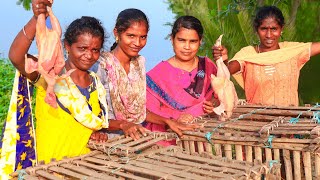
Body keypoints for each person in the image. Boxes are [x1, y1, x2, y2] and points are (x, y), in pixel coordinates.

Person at [94, 9, 198, 141]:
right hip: (105, 141)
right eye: (131, 36)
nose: (137, 43)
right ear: (117, 33)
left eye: (142, 37)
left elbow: (139, 112)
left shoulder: (138, 64)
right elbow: (89, 115)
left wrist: (167, 121)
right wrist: (123, 124)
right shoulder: (101, 66)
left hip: (133, 140)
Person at [213, 5, 320, 107]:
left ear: (281, 29)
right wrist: (223, 59)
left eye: (274, 29)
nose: (269, 35)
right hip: (257, 120)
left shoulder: (291, 50)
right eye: (263, 29)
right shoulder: (248, 54)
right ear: (256, 30)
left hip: (289, 120)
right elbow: (227, 72)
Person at [144, 15, 218, 146]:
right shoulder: (158, 73)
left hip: (202, 137)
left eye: (193, 41)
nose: (187, 47)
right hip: (166, 138)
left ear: (200, 41)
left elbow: (219, 97)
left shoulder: (207, 66)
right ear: (172, 40)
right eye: (181, 40)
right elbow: (147, 111)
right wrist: (176, 115)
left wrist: (213, 105)